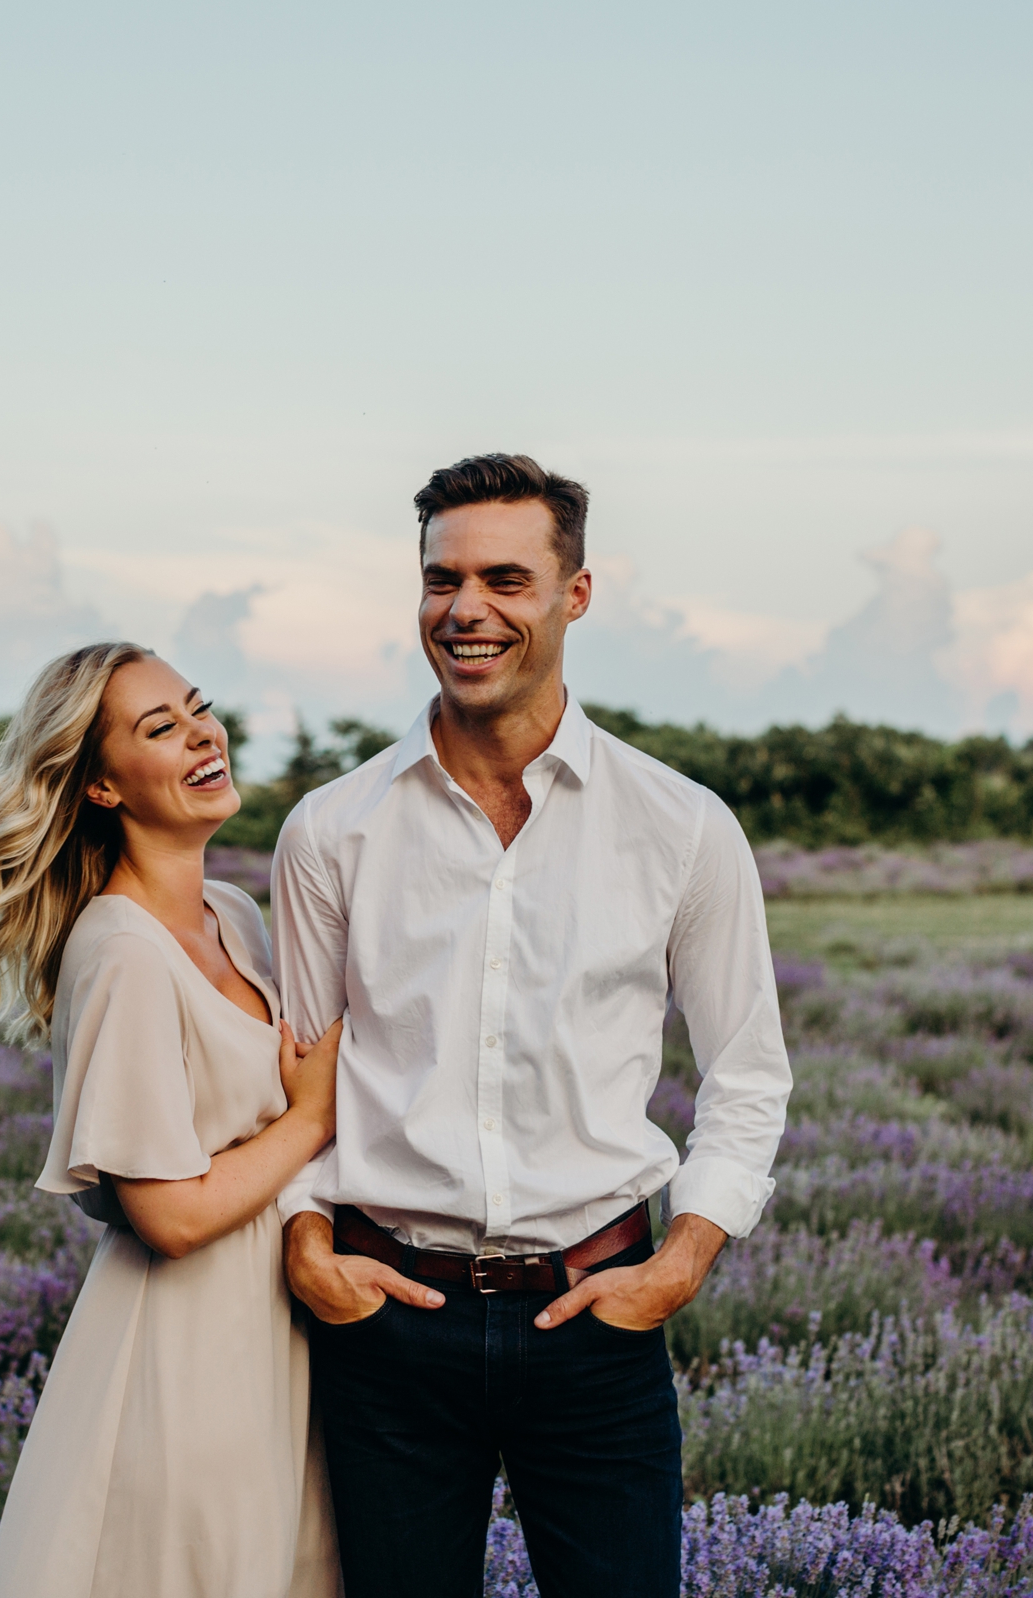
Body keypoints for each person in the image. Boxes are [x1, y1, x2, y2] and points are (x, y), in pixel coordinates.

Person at [273, 454, 795, 1598]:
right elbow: (297, 1085)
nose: (467, 609)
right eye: (441, 579)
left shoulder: (681, 825)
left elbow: (748, 1073)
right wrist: (308, 1243)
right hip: (387, 1326)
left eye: (506, 577)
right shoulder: (331, 829)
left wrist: (683, 1259)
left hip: (597, 1323)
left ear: (577, 592)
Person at [0, 641, 343, 1598]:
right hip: (185, 1358)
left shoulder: (234, 912)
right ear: (102, 787)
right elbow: (170, 1214)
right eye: (160, 729)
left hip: (279, 1339)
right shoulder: (119, 950)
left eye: (197, 710)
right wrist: (311, 1118)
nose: (202, 735)